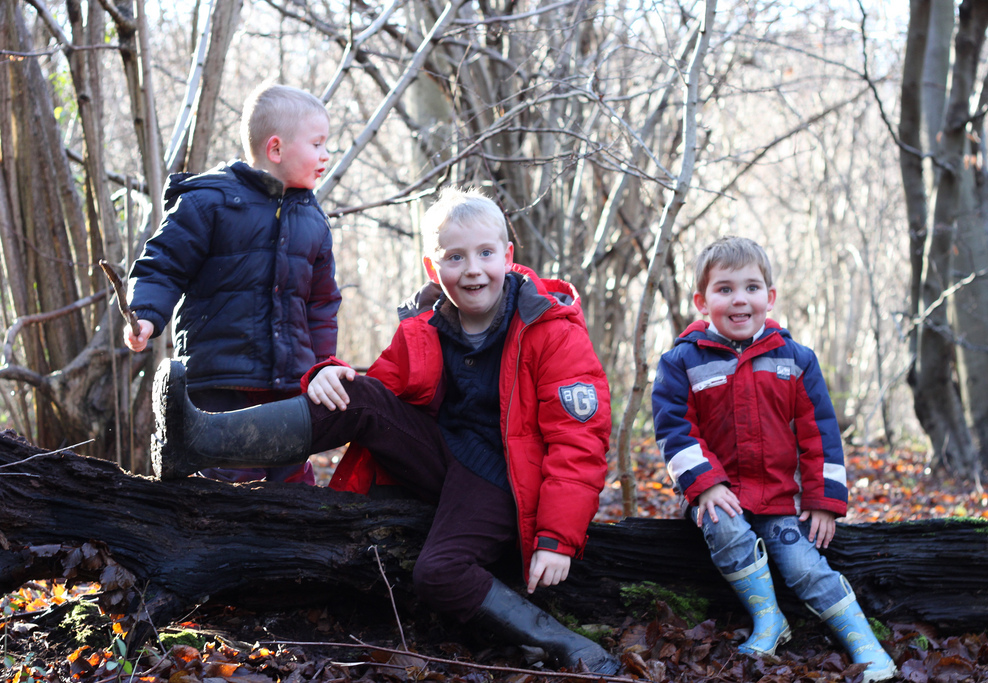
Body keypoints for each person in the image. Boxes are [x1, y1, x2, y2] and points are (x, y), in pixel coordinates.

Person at [149, 186, 620, 675]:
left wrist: (556, 538)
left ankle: (560, 641)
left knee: (438, 573)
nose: (473, 269)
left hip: (504, 481)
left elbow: (580, 441)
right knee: (355, 395)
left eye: (485, 253)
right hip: (441, 456)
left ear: (508, 255)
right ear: (432, 268)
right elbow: (380, 389)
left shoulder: (550, 328)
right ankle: (199, 442)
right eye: (455, 257)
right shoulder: (427, 326)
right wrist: (326, 374)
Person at [650, 236, 896, 682]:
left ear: (770, 296)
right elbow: (674, 430)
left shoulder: (796, 360)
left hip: (780, 500)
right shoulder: (681, 362)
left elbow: (820, 434)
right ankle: (769, 619)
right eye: (725, 289)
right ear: (702, 303)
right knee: (724, 524)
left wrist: (823, 500)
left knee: (805, 566)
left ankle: (867, 646)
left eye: (751, 287)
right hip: (717, 496)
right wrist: (705, 484)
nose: (739, 299)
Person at [125, 83, 342, 485]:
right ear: (275, 149)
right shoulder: (209, 201)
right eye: (317, 144)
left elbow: (322, 306)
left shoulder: (313, 220)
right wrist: (146, 314)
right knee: (228, 482)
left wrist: (321, 369)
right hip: (221, 379)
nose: (326, 154)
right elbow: (164, 264)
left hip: (288, 387)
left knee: (293, 483)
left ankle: (294, 526)